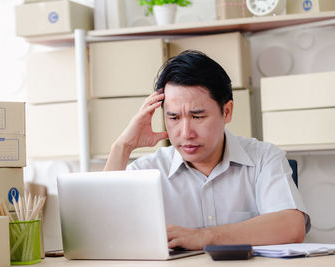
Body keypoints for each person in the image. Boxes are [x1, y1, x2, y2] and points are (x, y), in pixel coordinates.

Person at [104, 50, 310, 250]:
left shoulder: (264, 157)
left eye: (197, 117)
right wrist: (122, 147)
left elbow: (292, 227)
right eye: (174, 118)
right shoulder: (147, 171)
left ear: (227, 111)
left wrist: (203, 237)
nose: (185, 133)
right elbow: (104, 231)